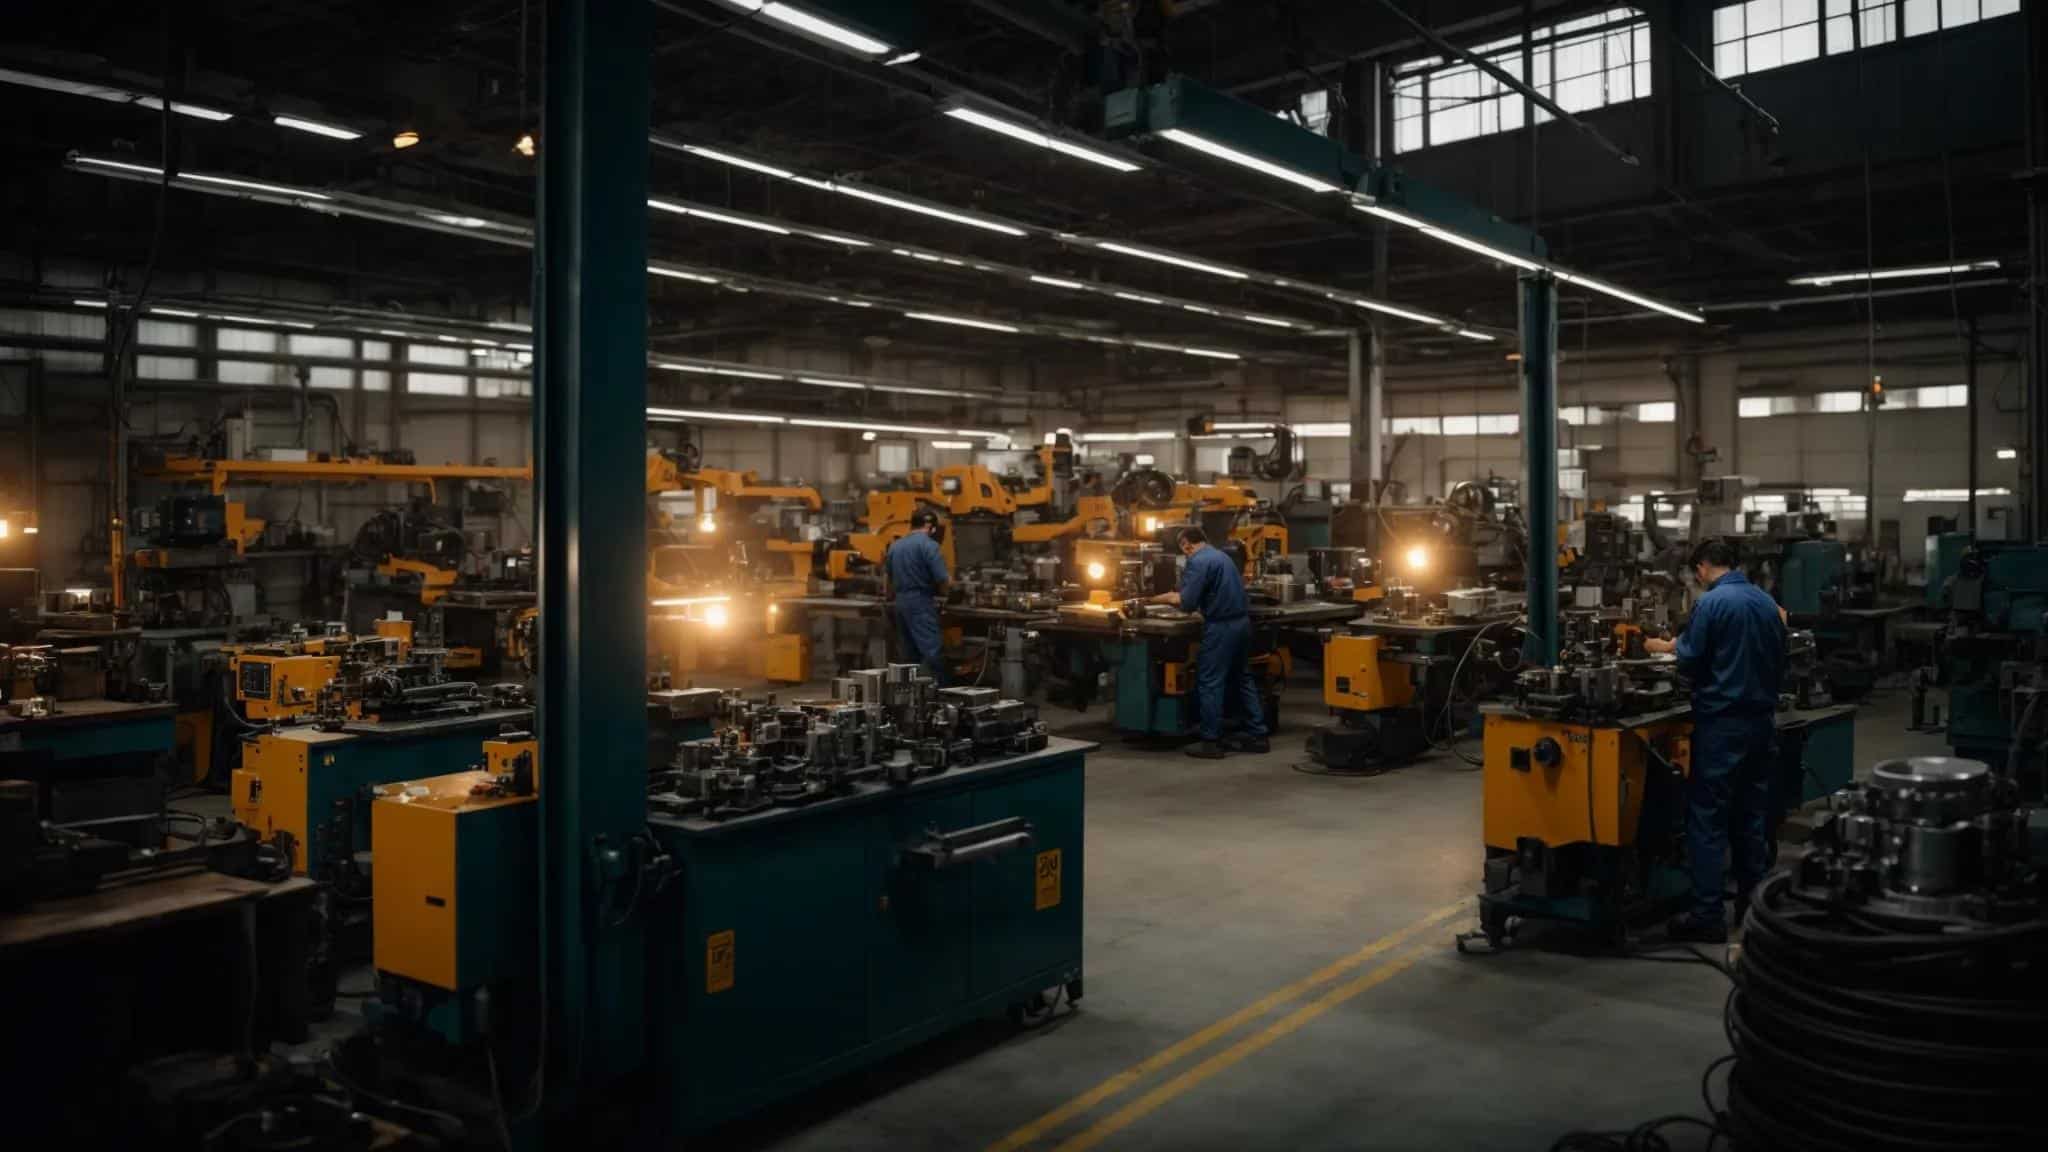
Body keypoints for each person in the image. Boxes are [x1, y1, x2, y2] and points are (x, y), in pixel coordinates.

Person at [1644, 538, 1786, 942]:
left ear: (1704, 567)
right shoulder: (1765, 602)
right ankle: (1752, 907)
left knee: (1707, 820)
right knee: (1751, 817)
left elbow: (1688, 659)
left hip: (1723, 726)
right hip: (1761, 724)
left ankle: (1707, 917)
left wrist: (1662, 648)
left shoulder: (1711, 603)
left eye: (1697, 572)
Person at [1148, 527, 1269, 758]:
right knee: (1242, 677)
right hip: (1242, 624)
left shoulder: (1198, 561)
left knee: (1210, 682)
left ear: (1186, 545)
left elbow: (1186, 602)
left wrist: (1151, 599)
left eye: (1184, 550)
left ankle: (1210, 741)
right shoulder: (1223, 556)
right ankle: (1258, 735)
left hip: (1221, 627)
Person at [885, 509, 949, 683]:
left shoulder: (895, 546)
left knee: (908, 655)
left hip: (900, 603)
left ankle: (910, 696)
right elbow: (942, 579)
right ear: (930, 526)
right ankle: (942, 693)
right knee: (932, 650)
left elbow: (888, 581)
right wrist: (950, 594)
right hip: (920, 603)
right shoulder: (929, 545)